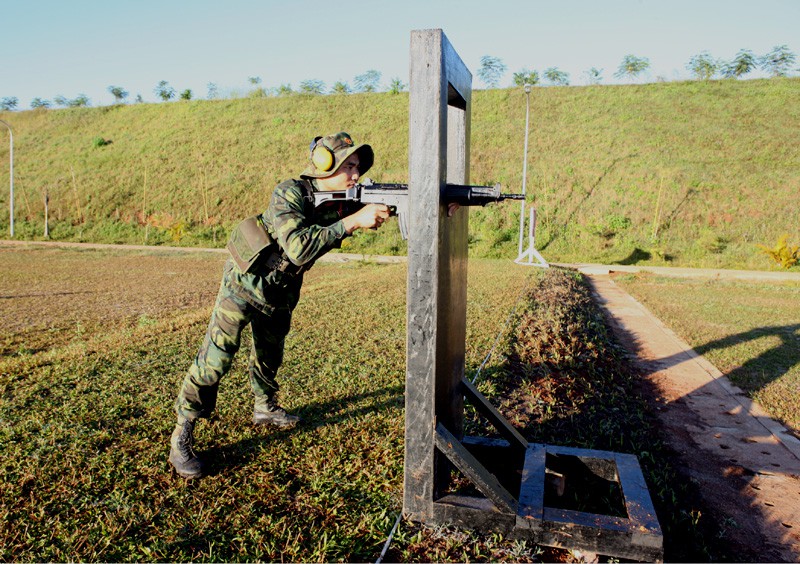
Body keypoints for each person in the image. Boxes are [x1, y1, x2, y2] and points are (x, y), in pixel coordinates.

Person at [169, 132, 390, 479]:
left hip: (282, 291)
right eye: (348, 165)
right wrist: (352, 222)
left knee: (269, 355)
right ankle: (182, 431)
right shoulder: (289, 192)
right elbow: (298, 247)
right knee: (216, 360)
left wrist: (442, 202)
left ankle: (265, 407)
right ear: (323, 163)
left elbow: (388, 204)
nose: (355, 174)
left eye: (358, 167)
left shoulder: (344, 201)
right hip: (244, 284)